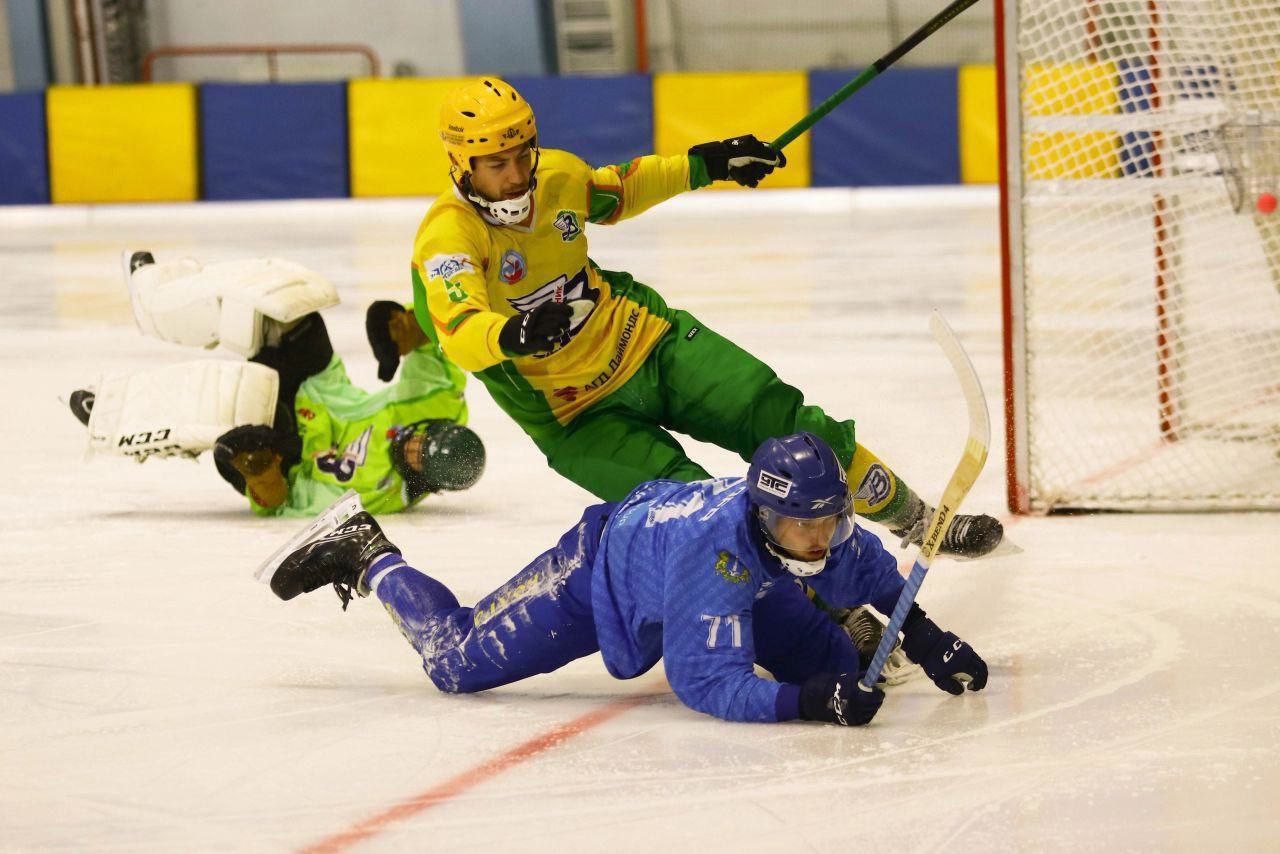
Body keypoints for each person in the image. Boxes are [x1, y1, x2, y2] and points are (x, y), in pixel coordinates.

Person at [404, 77, 1002, 559]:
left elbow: (619, 190)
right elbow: (457, 329)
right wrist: (511, 333)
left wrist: (706, 163)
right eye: (496, 164)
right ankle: (820, 611)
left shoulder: (556, 175)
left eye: (520, 156)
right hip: (574, 415)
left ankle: (918, 520)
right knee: (699, 512)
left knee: (781, 419)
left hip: (646, 341)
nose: (515, 175)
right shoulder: (449, 236)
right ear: (462, 165)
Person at [261, 432, 988, 726]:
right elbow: (705, 682)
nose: (821, 539)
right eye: (805, 527)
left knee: (838, 661)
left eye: (830, 522)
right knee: (454, 663)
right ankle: (367, 553)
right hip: (601, 570)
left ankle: (829, 634)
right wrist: (806, 703)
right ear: (765, 514)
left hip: (744, 580)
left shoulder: (819, 526)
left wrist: (929, 638)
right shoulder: (718, 555)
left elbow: (875, 574)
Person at [68, 252, 485, 518]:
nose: (411, 445)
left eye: (416, 458)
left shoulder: (379, 492)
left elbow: (290, 502)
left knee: (234, 402)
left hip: (286, 446)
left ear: (427, 480)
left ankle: (118, 415)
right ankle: (156, 297)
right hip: (322, 388)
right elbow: (436, 337)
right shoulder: (439, 403)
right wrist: (404, 328)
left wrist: (263, 476)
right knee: (285, 304)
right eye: (421, 439)